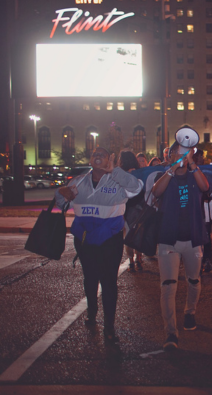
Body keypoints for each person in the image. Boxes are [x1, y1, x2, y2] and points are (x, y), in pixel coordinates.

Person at [56, 147, 143, 343]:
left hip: (110, 240)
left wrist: (115, 170)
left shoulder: (118, 180)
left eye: (102, 154)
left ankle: (109, 326)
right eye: (95, 153)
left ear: (109, 160)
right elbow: (61, 202)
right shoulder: (78, 181)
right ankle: (92, 313)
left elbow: (136, 188)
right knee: (89, 278)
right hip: (85, 240)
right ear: (90, 158)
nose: (97, 156)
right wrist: (62, 192)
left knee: (109, 282)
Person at [152, 141, 209, 350]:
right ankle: (170, 333)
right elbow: (156, 192)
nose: (183, 156)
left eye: (187, 153)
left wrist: (192, 165)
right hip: (168, 240)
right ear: (170, 155)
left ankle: (190, 312)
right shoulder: (165, 175)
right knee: (168, 285)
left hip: (193, 239)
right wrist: (172, 168)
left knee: (194, 280)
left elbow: (205, 187)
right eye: (178, 153)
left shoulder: (195, 174)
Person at [119, 151, 144, 272]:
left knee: (128, 235)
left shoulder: (121, 174)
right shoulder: (139, 172)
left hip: (126, 207)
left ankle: (131, 261)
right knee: (139, 233)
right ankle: (138, 257)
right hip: (139, 206)